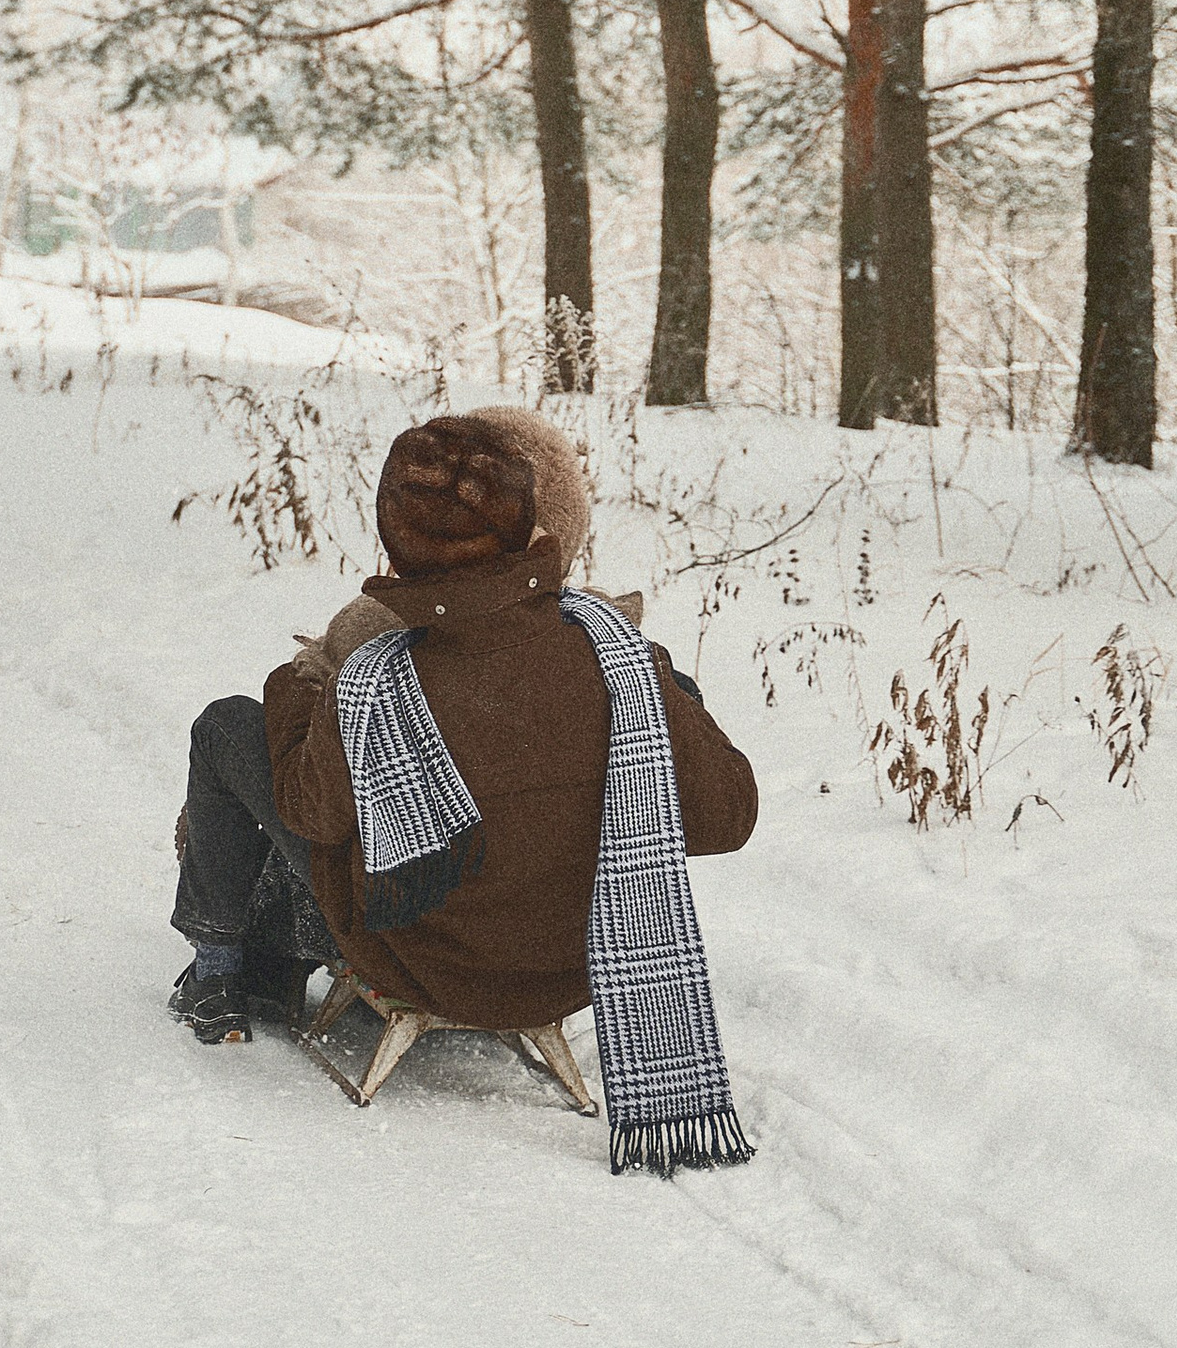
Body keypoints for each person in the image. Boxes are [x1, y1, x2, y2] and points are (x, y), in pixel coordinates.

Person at [169, 407, 757, 1051]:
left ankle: (217, 971)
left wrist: (297, 688)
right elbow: (725, 820)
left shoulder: (371, 670)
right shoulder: (619, 654)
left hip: (419, 965)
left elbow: (313, 814)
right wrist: (665, 702)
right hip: (575, 971)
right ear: (534, 530)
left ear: (395, 542)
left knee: (227, 727)